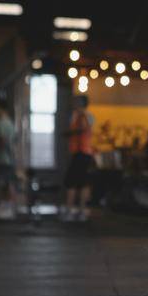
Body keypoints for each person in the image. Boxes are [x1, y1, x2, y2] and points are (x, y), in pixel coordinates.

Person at [62, 94, 95, 223]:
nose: (74, 104)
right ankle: (80, 210)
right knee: (82, 182)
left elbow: (82, 129)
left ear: (81, 103)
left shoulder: (82, 116)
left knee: (72, 182)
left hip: (82, 153)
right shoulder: (80, 116)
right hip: (81, 153)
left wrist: (68, 133)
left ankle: (72, 210)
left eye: (76, 102)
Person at [0, 97, 19, 220]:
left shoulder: (1, 123)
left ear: (0, 109)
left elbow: (1, 140)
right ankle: (8, 208)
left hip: (3, 158)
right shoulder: (10, 123)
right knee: (7, 183)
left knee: (4, 183)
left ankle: (6, 208)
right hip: (9, 158)